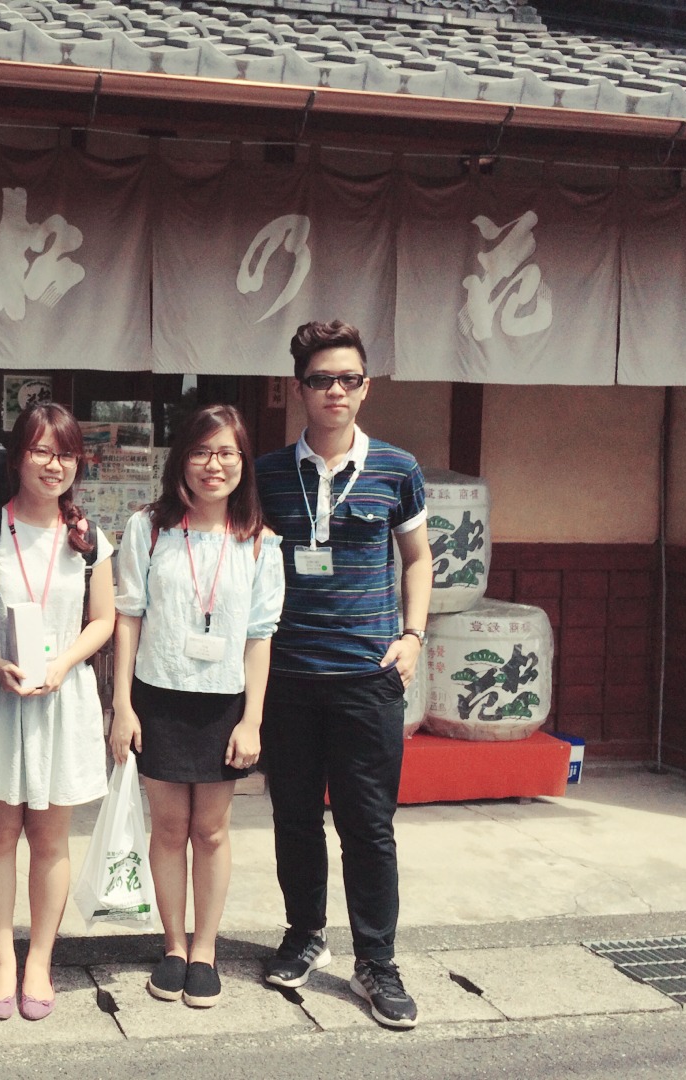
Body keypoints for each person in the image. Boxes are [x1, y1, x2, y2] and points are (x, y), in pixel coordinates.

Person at [254, 320, 431, 1030]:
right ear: (299, 389)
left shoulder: (397, 468)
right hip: (289, 674)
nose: (336, 391)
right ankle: (304, 935)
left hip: (367, 675)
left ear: (365, 387)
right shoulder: (268, 473)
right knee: (295, 817)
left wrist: (413, 637)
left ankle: (377, 962)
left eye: (348, 380)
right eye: (322, 380)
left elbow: (417, 558)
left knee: (368, 826)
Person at [109, 404, 284, 1009]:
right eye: (202, 451)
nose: (215, 465)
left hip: (224, 705)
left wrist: (252, 720)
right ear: (182, 459)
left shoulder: (259, 542)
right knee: (167, 827)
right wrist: (122, 706)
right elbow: (128, 617)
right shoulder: (148, 528)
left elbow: (259, 637)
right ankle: (174, 946)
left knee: (210, 831)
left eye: (227, 452)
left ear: (243, 462)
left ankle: (205, 950)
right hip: (157, 695)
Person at [0, 402, 116, 1021]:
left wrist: (62, 664)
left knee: (51, 841)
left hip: (62, 696)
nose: (55, 465)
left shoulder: (89, 539)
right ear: (18, 457)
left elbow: (103, 620)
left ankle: (40, 961)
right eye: (42, 451)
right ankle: (2, 960)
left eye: (66, 454)